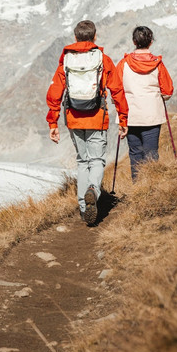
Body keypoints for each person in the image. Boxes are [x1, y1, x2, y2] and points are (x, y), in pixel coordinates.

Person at [47, 20, 128, 226]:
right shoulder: (103, 59)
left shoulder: (66, 61)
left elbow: (55, 93)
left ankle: (84, 207)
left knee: (82, 161)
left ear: (75, 38)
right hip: (97, 117)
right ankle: (94, 189)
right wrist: (123, 118)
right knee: (97, 160)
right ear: (95, 36)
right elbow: (117, 90)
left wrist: (53, 123)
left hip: (74, 118)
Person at [115, 25, 174, 181]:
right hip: (152, 115)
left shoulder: (123, 64)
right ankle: (152, 188)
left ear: (134, 41)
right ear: (151, 42)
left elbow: (116, 90)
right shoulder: (158, 64)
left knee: (135, 153)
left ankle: (138, 187)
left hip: (130, 115)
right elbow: (167, 91)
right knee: (151, 152)